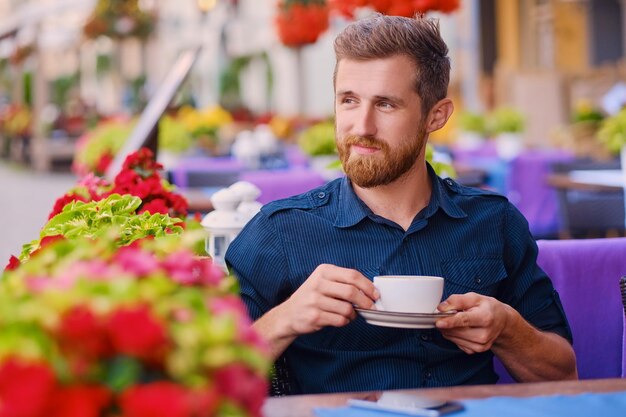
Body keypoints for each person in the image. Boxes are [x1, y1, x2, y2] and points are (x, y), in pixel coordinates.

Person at [225, 14, 577, 394]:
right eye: (348, 100)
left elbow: (563, 374)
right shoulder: (279, 231)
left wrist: (508, 329)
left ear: (436, 115)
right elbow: (211, 380)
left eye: (386, 105)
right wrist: (285, 319)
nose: (361, 126)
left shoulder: (494, 221)